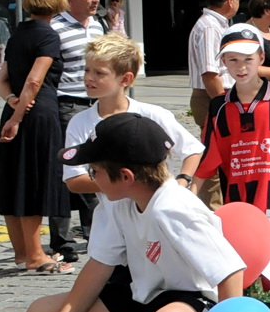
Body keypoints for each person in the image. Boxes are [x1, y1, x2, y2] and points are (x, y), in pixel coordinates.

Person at [21, 114, 245, 312]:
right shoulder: (120, 201)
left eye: (94, 171)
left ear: (126, 176)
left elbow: (230, 271)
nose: (92, 178)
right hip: (141, 300)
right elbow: (99, 266)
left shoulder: (174, 207)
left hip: (192, 304)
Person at [192, 25, 270, 235]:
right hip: (236, 196)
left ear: (261, 58)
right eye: (233, 60)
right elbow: (207, 158)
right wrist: (189, 195)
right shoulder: (219, 106)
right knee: (242, 248)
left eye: (248, 59)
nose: (241, 67)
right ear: (223, 61)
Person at [0, 0, 72, 274]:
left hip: (15, 107)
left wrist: (12, 102)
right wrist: (18, 118)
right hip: (38, 113)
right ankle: (37, 256)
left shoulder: (18, 33)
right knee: (34, 180)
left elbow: (2, 79)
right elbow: (35, 81)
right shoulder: (48, 35)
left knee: (14, 180)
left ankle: (22, 253)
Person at [61, 36, 203, 199]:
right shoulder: (80, 122)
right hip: (109, 213)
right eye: (87, 70)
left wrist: (181, 182)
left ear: (125, 79)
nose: (89, 78)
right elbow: (74, 180)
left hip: (155, 207)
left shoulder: (153, 115)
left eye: (99, 73)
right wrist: (125, 183)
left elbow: (193, 150)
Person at [50, 0, 103, 262]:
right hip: (66, 104)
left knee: (95, 166)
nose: (95, 0)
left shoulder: (97, 26)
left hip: (96, 104)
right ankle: (62, 240)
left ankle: (96, 235)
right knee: (68, 168)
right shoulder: (55, 27)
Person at [187, 0, 239, 208]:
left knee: (224, 153)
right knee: (212, 157)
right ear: (229, 1)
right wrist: (222, 105)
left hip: (218, 95)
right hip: (213, 96)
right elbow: (210, 73)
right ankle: (212, 210)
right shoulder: (210, 27)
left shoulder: (217, 24)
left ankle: (224, 205)